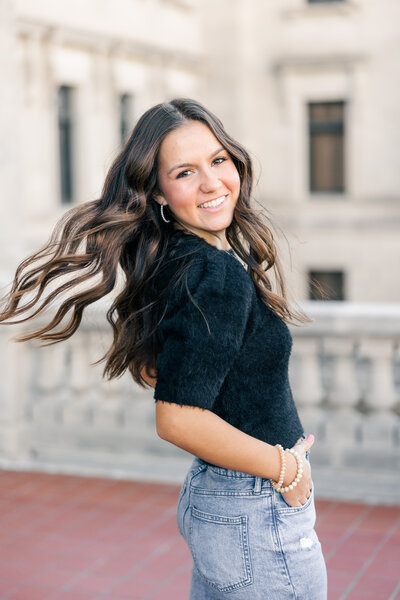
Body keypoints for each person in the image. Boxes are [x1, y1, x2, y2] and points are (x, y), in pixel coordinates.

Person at [0, 98, 327, 598]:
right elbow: (178, 417)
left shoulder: (184, 256)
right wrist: (286, 470)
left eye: (218, 160)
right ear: (156, 191)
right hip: (254, 505)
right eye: (185, 172)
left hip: (228, 500)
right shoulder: (213, 274)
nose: (213, 183)